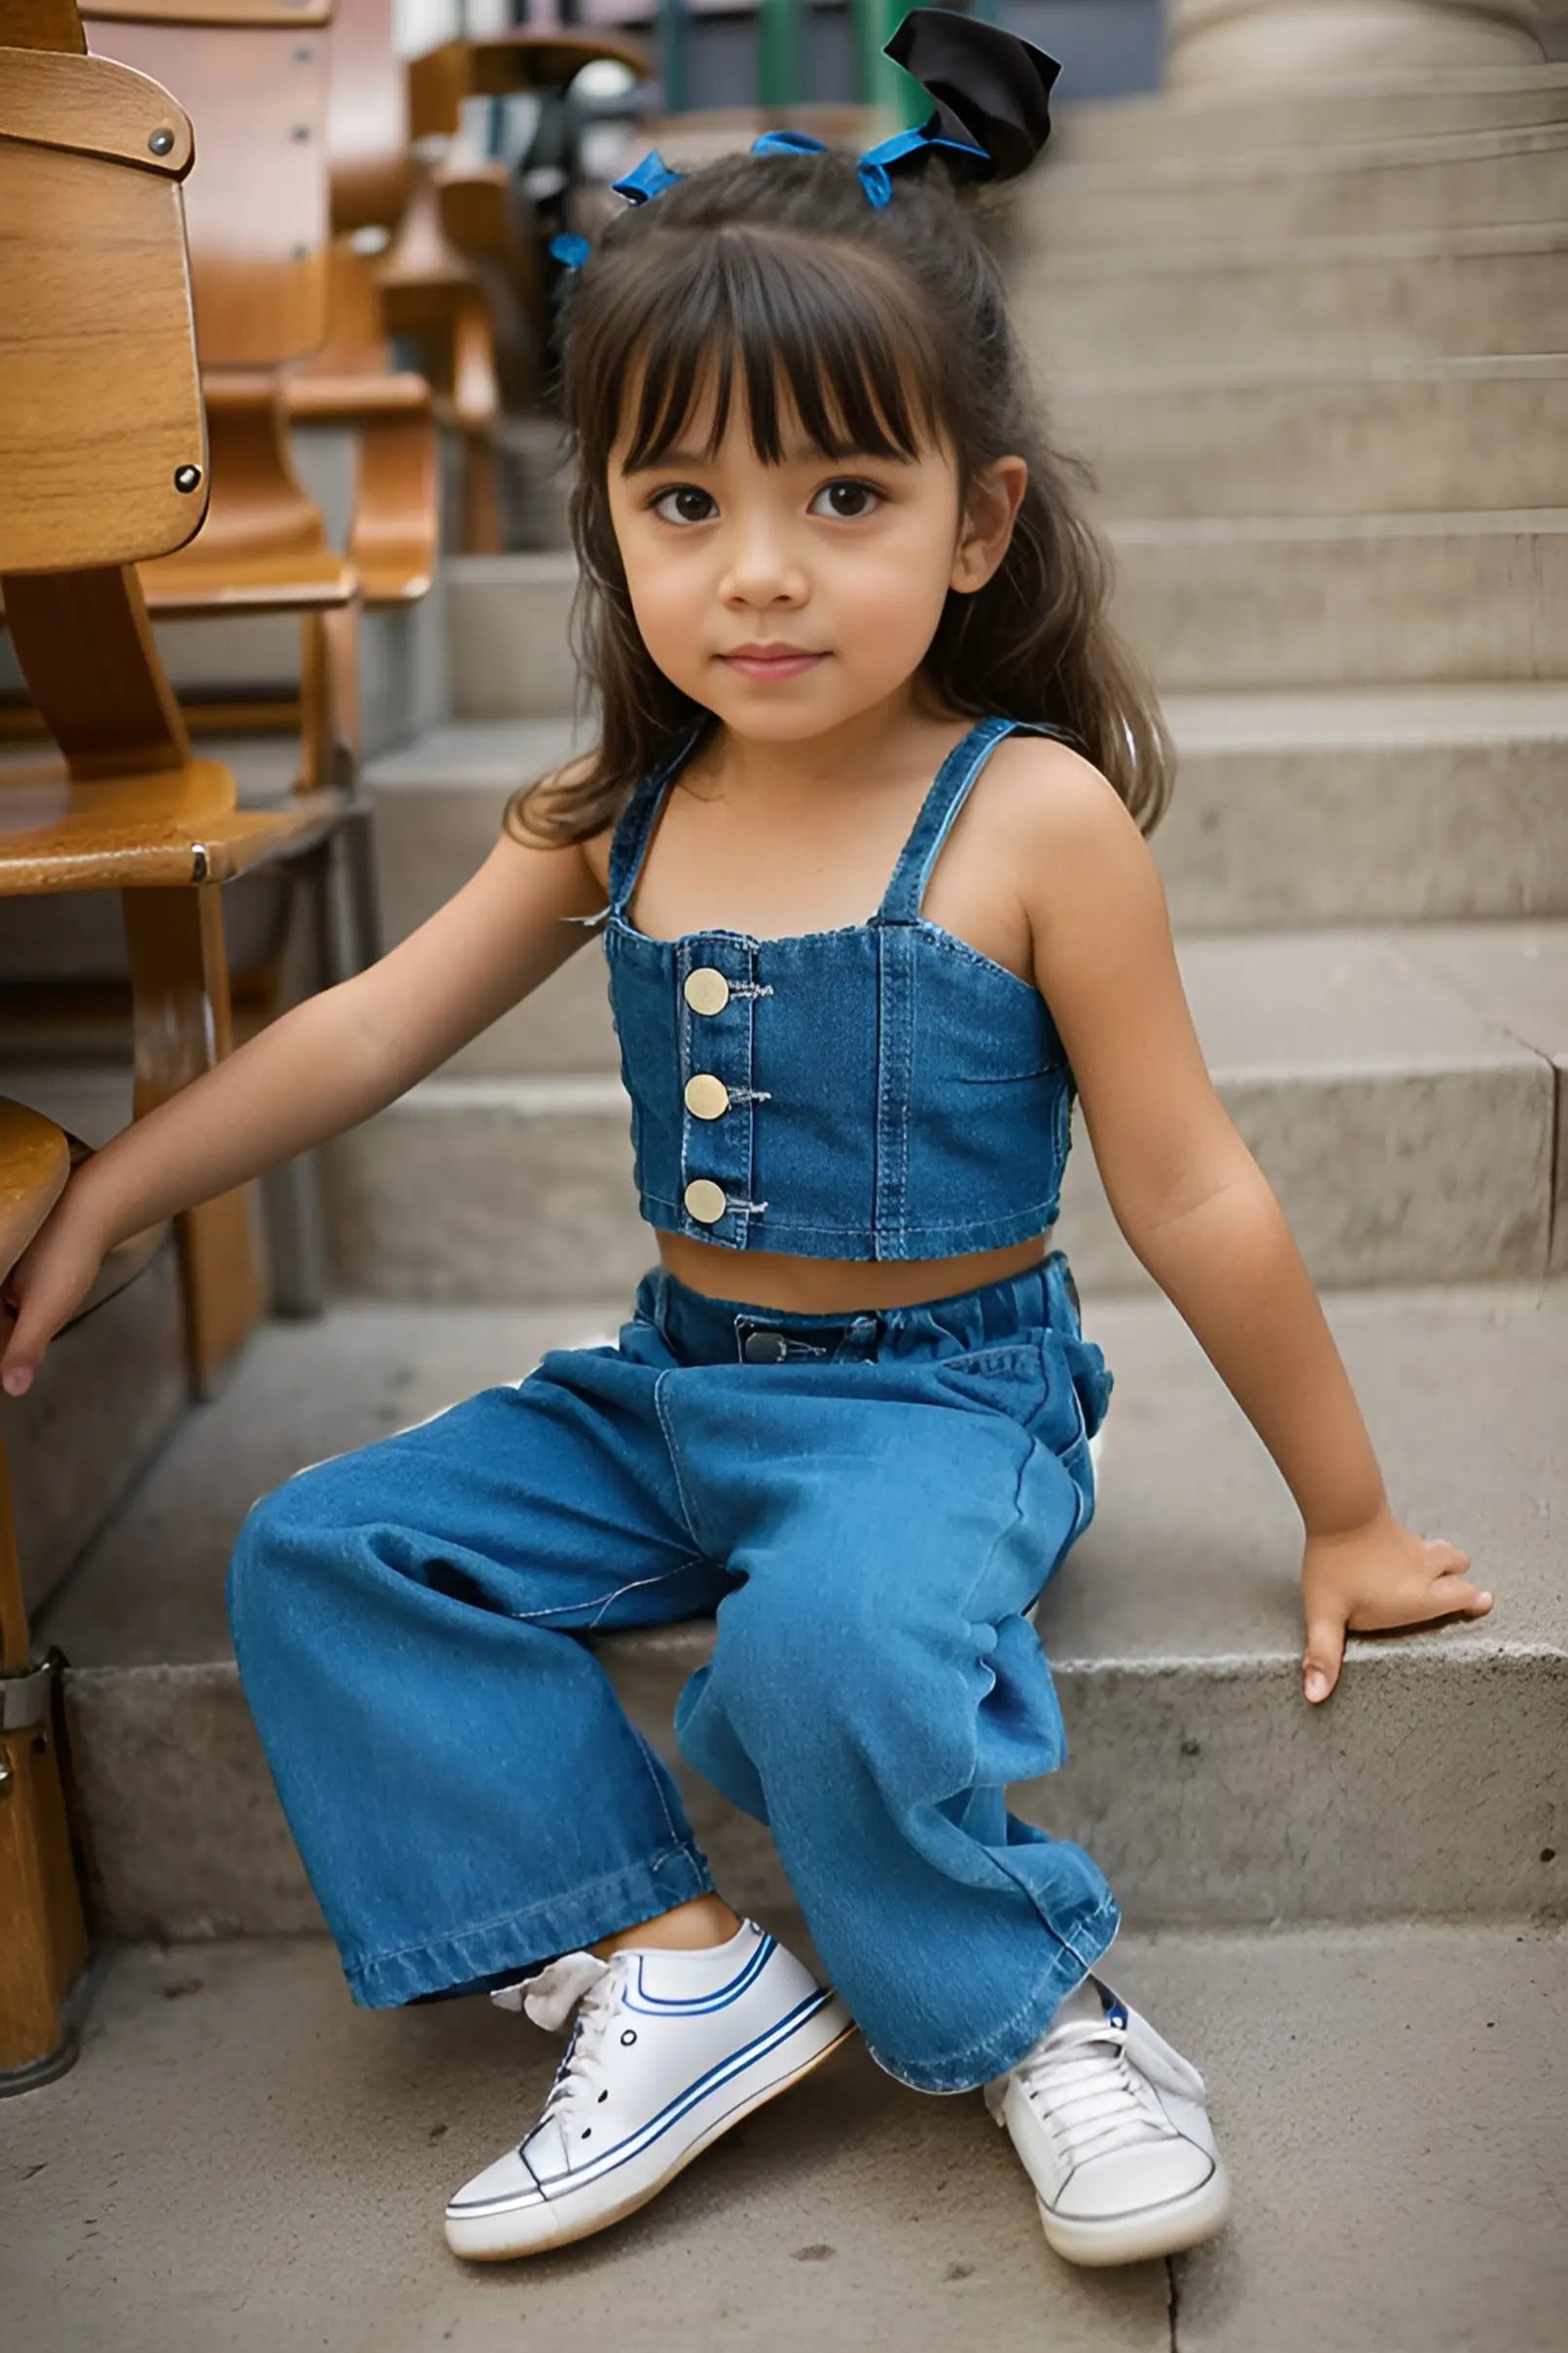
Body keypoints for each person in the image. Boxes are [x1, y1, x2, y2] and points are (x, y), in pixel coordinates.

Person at [1, 5, 1490, 2281]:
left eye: (842, 500)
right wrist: (125, 1173)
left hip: (941, 1407)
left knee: (817, 1656)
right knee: (322, 1552)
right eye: (682, 504)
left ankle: (1032, 2011)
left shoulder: (1030, 815)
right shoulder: (625, 805)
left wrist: (1349, 1509)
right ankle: (673, 1957)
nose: (759, 573)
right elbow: (378, 1020)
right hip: (676, 1394)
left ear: (977, 518)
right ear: (603, 521)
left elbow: (1186, 1184)